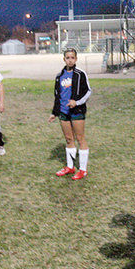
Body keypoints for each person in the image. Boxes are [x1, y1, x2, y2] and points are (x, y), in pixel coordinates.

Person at [48, 49, 92, 180]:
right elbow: (57, 96)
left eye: (72, 57)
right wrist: (54, 113)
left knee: (80, 138)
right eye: (67, 57)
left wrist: (77, 102)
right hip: (63, 112)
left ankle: (83, 170)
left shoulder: (80, 74)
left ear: (76, 59)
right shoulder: (59, 76)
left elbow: (88, 91)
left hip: (77, 111)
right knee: (68, 139)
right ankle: (70, 167)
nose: (70, 60)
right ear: (64, 59)